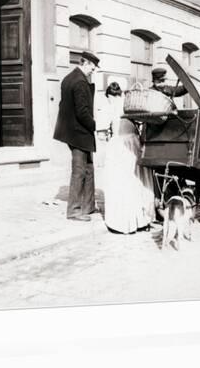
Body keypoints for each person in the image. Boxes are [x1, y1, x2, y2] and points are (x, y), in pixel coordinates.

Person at [103, 82, 156, 233]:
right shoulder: (131, 104)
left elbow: (102, 130)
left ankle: (125, 222)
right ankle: (143, 220)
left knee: (120, 181)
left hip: (120, 145)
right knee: (138, 179)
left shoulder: (112, 107)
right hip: (134, 142)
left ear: (111, 96)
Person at [53, 51, 99, 222]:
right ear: (85, 63)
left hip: (74, 131)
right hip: (79, 132)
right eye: (92, 68)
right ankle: (73, 210)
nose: (92, 72)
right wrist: (96, 126)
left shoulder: (68, 78)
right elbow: (82, 112)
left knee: (89, 168)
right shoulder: (80, 82)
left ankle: (88, 206)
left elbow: (63, 105)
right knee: (79, 170)